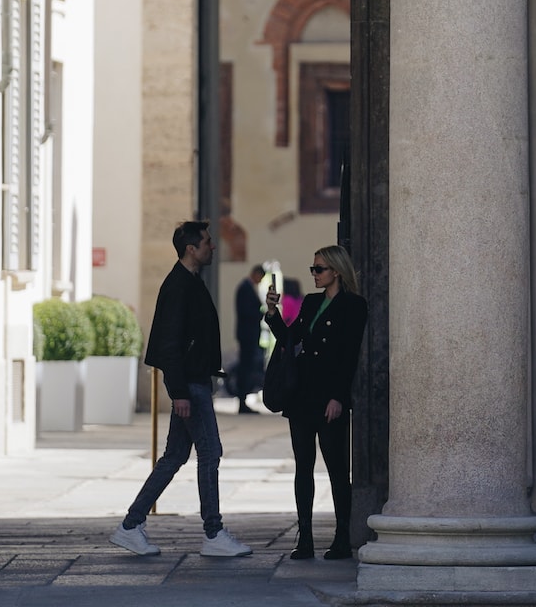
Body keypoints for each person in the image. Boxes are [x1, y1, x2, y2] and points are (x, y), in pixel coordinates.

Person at [108, 221, 252, 558]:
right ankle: (213, 533)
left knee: (174, 456)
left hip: (193, 382)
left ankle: (131, 526)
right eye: (207, 242)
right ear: (191, 248)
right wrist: (179, 393)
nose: (213, 247)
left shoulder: (189, 282)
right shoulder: (179, 286)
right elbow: (170, 344)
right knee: (210, 452)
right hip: (191, 385)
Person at [267, 244, 367, 561]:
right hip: (302, 398)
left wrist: (339, 396)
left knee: (337, 470)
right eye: (313, 269)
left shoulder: (354, 305)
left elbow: (349, 355)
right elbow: (290, 339)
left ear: (336, 271)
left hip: (329, 399)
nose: (314, 274)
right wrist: (272, 314)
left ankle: (341, 539)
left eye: (319, 269)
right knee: (303, 469)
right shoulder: (310, 303)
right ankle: (306, 538)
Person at [233, 265, 266, 414]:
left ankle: (243, 399)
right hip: (247, 334)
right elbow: (246, 312)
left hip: (250, 334)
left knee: (248, 367)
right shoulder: (245, 288)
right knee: (245, 368)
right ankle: (242, 399)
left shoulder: (248, 288)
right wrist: (260, 314)